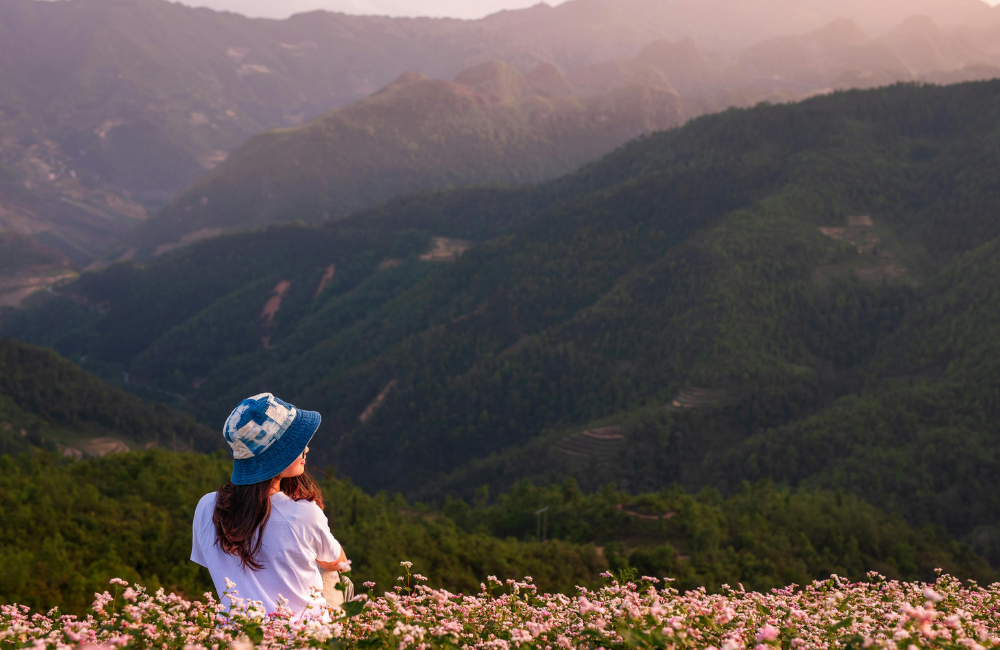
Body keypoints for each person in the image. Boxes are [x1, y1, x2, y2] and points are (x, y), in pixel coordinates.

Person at [191, 393, 348, 616]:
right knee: (334, 578)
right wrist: (315, 525)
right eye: (296, 444)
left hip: (236, 635)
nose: (306, 449)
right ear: (277, 456)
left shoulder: (208, 507)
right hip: (302, 637)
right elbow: (338, 563)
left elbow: (217, 565)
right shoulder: (303, 514)